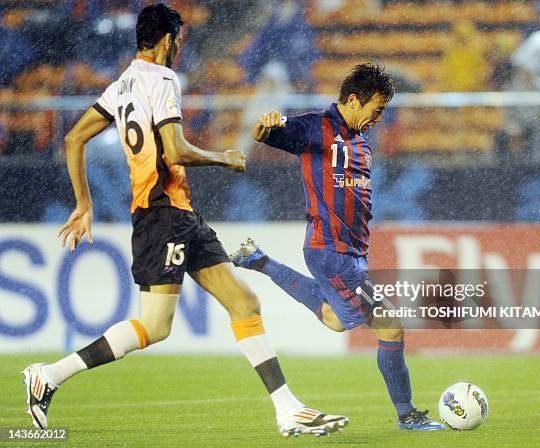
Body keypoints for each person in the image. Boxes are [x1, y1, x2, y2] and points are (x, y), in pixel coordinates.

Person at [21, 4, 347, 438]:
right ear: (165, 39)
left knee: (244, 302)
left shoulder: (122, 84)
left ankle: (288, 410)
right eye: (179, 38)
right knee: (155, 326)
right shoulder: (162, 78)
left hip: (179, 214)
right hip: (162, 214)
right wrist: (223, 158)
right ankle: (50, 375)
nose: (181, 46)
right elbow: (174, 151)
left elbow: (74, 136)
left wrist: (84, 203)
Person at [231, 62, 445, 431]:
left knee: (335, 319)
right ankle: (407, 415)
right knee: (391, 327)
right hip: (331, 251)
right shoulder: (316, 128)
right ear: (352, 99)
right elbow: (267, 132)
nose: (379, 118)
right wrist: (262, 125)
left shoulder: (361, 142)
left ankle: (260, 260)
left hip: (350, 253)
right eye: (376, 109)